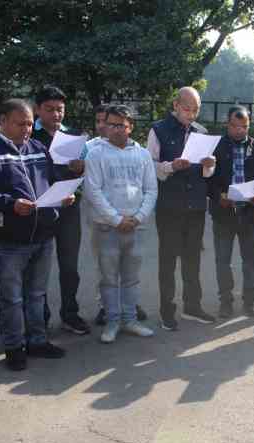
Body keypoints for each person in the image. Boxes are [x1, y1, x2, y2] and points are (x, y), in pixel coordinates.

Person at [0, 99, 73, 370]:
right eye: (21, 123)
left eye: (31, 123)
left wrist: (62, 196)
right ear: (3, 121)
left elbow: (51, 181)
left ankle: (37, 341)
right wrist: (10, 204)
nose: (27, 129)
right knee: (11, 298)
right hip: (9, 239)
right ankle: (13, 347)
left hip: (43, 234)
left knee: (37, 294)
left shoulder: (37, 148)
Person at [84, 105, 157, 344]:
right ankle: (112, 321)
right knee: (108, 278)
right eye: (111, 124)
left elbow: (151, 189)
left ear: (130, 127)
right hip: (107, 227)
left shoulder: (143, 154)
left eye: (121, 125)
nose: (115, 129)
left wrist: (138, 218)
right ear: (104, 125)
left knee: (131, 278)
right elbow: (92, 191)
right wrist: (116, 220)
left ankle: (129, 319)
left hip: (137, 226)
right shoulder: (96, 153)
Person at [147, 87, 217, 330]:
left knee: (192, 259)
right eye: (187, 108)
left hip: (196, 206)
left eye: (196, 110)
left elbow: (207, 174)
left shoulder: (202, 133)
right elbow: (150, 167)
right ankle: (167, 311)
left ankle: (192, 306)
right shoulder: (158, 130)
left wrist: (210, 165)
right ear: (176, 105)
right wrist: (171, 166)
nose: (191, 114)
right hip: (170, 206)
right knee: (168, 261)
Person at [31, 85, 90, 335]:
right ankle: (38, 318)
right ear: (37, 109)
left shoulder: (74, 137)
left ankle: (70, 313)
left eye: (60, 110)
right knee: (37, 268)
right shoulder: (28, 136)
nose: (56, 115)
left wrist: (81, 168)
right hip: (39, 211)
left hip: (68, 209)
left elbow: (86, 173)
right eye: (50, 109)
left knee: (69, 266)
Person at [207, 105, 254, 319]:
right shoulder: (215, 147)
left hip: (250, 213)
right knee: (222, 261)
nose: (239, 131)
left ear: (249, 125)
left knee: (250, 261)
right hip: (223, 214)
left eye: (244, 126)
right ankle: (225, 302)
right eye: (235, 126)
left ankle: (250, 302)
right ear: (228, 124)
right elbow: (206, 178)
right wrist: (219, 197)